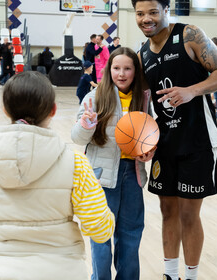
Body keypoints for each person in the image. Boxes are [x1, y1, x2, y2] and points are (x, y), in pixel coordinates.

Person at [0, 71, 115, 280]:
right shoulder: (76, 164)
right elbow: (100, 230)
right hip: (62, 271)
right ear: (53, 110)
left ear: (6, 110)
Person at [132, 1, 217, 280]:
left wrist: (191, 91)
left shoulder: (189, 35)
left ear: (166, 10)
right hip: (165, 144)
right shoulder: (143, 54)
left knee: (189, 213)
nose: (146, 19)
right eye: (140, 14)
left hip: (198, 140)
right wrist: (142, 142)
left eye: (153, 12)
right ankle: (169, 274)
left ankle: (191, 276)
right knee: (167, 211)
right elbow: (141, 98)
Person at [71, 47, 152, 280]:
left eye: (128, 68)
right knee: (101, 235)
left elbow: (151, 135)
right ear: (109, 70)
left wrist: (149, 152)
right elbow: (77, 138)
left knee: (131, 233)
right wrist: (86, 124)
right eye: (117, 68)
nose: (122, 73)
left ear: (135, 71)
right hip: (102, 177)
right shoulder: (93, 98)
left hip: (133, 175)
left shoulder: (143, 98)